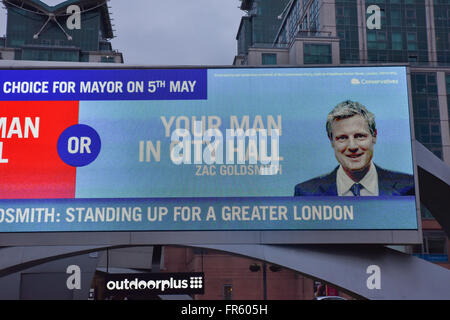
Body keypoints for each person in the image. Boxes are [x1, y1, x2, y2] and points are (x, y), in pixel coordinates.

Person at [294, 100, 414, 196]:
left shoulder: (409, 187)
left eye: (360, 136)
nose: (352, 146)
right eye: (342, 138)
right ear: (331, 141)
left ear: (374, 136)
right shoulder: (307, 193)